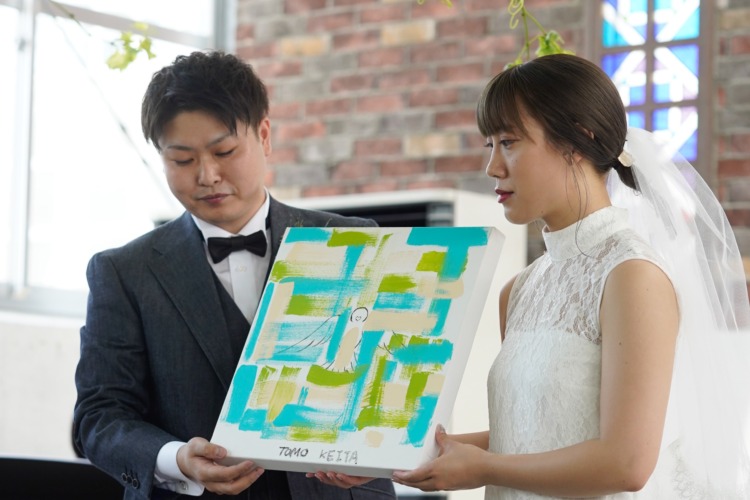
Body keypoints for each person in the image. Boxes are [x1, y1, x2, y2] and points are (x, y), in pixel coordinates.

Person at [391, 54, 750, 498]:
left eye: (509, 142)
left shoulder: (632, 276)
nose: (493, 167)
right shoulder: (518, 290)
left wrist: (484, 468)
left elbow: (626, 464)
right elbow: (528, 435)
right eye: (490, 145)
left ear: (577, 141)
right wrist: (395, 458)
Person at [73, 50, 396, 500]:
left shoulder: (354, 241)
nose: (207, 176)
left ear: (264, 136)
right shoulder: (123, 272)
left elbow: (388, 379)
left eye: (224, 152)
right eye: (182, 160)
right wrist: (176, 459)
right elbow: (98, 419)